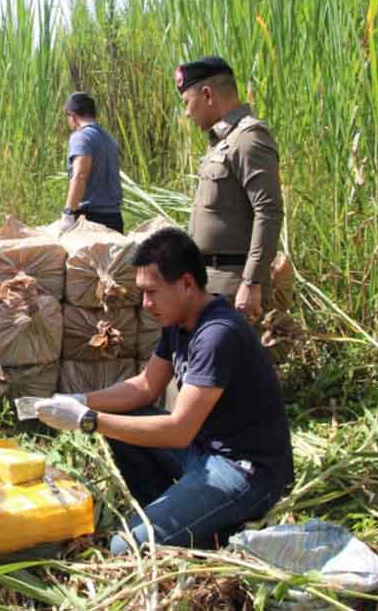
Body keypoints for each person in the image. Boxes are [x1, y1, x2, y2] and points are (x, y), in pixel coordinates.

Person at [33, 227, 293, 555]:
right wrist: (81, 400)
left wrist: (88, 420)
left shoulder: (217, 335)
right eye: (142, 293)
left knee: (123, 547)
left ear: (187, 284)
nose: (145, 303)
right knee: (121, 413)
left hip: (245, 472)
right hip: (203, 452)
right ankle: (174, 513)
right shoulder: (178, 324)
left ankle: (212, 530)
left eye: (152, 292)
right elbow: (144, 386)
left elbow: (179, 431)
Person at [176, 56, 283, 320]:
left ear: (208, 94)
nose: (187, 112)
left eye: (187, 103)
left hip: (234, 286)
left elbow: (268, 212)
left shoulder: (248, 138)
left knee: (232, 360)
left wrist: (252, 282)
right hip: (210, 282)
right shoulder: (221, 142)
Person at [57, 91, 124, 234]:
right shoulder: (109, 139)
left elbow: (80, 175)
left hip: (91, 222)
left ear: (72, 116)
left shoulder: (81, 137)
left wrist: (68, 212)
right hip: (115, 219)